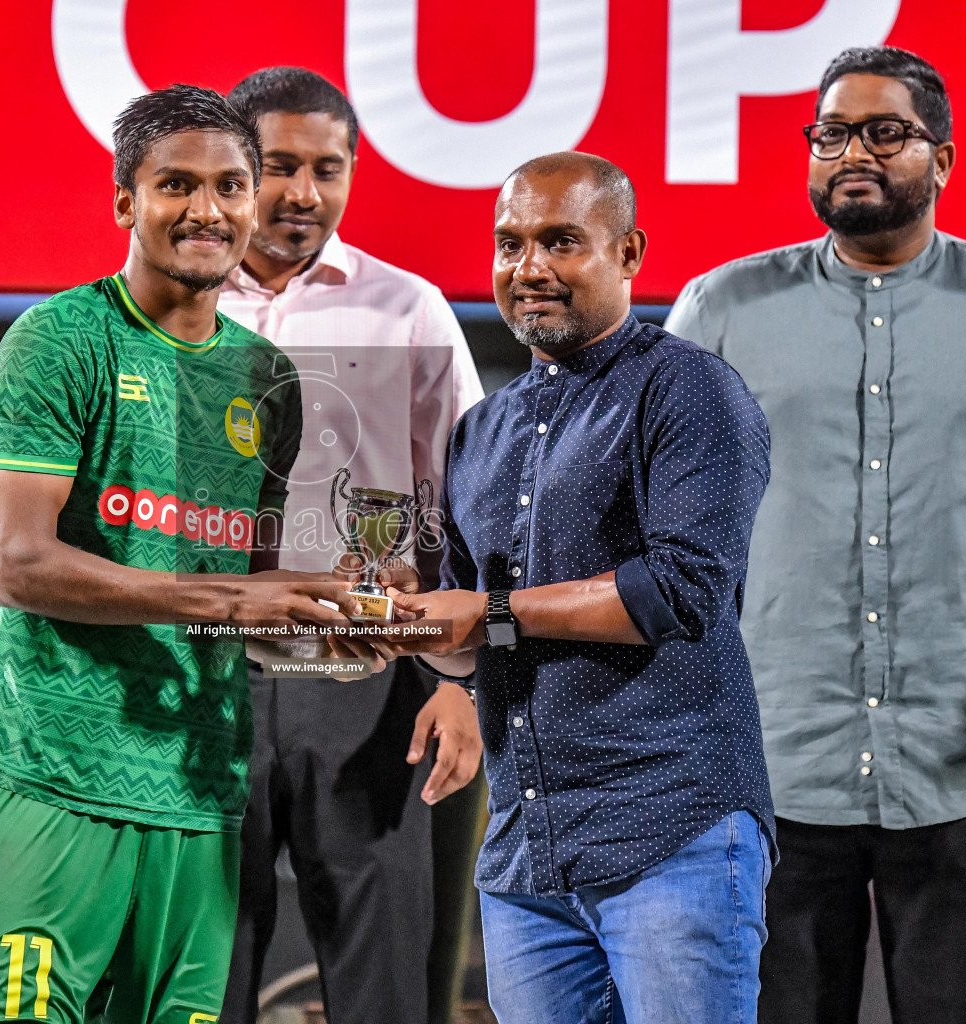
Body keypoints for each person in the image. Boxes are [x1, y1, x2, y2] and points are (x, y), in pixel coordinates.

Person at [665, 45, 966, 1024]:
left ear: (941, 159)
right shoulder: (718, 312)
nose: (854, 151)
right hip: (770, 765)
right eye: (832, 134)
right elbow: (669, 535)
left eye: (885, 132)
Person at [0, 84, 362, 1024]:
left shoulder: (269, 379)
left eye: (230, 186)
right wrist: (231, 605)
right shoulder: (58, 342)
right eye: (177, 184)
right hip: (55, 779)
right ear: (126, 201)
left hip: (201, 797)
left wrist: (341, 615)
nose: (208, 210)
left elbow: (248, 597)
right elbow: (19, 567)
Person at [385, 151, 774, 1024]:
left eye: (562, 241)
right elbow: (462, 634)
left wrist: (485, 615)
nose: (530, 269)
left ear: (629, 252)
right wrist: (393, 613)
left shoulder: (689, 389)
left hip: (671, 833)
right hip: (527, 855)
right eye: (510, 243)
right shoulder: (481, 429)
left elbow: (679, 593)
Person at [213, 67, 485, 1024]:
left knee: (385, 990)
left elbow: (472, 510)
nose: (303, 193)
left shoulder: (407, 309)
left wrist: (460, 682)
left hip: (367, 687)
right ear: (233, 169)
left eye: (328, 169)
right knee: (201, 981)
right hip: (204, 686)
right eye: (279, 165)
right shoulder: (169, 308)